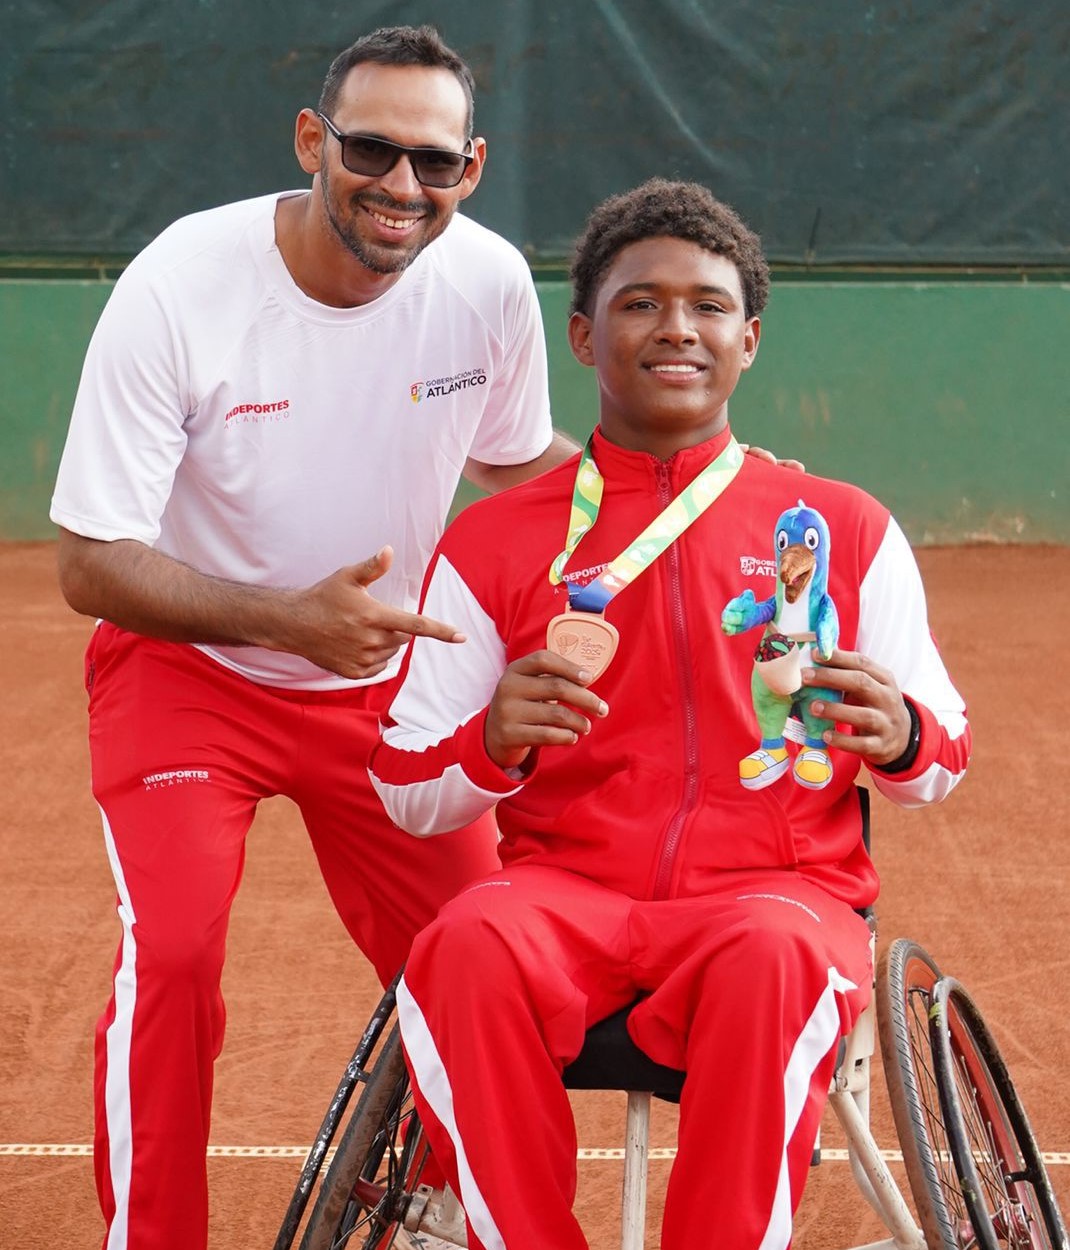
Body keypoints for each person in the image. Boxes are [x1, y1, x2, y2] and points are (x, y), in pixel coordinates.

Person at [48, 23, 585, 1250]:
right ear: (311, 141)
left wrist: (687, 482)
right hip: (189, 670)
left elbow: (521, 471)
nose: (402, 186)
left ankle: (457, 1210)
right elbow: (89, 560)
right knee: (173, 955)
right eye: (371, 149)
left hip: (382, 681)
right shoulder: (182, 283)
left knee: (483, 955)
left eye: (434, 163)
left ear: (472, 168)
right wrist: (292, 619)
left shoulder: (487, 284)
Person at [368, 178, 972, 1250]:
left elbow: (941, 753)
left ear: (748, 338)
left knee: (769, 955)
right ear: (582, 334)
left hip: (778, 896)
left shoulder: (838, 527)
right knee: (462, 941)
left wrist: (903, 732)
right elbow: (409, 786)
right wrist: (493, 737)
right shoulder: (493, 541)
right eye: (639, 302)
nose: (674, 326)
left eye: (704, 303)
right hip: (563, 894)